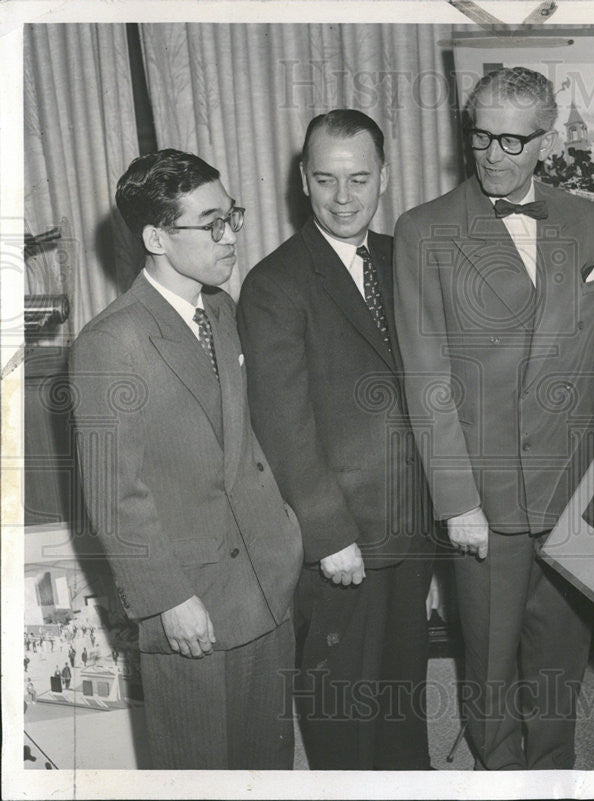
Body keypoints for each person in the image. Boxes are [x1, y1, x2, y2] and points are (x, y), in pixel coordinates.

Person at [393, 67, 594, 770]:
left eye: (513, 141)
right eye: (481, 136)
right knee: (490, 671)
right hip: (486, 501)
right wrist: (457, 499)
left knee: (559, 664)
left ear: (545, 141)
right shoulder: (424, 230)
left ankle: (552, 775)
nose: (493, 155)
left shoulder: (587, 220)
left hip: (573, 486)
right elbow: (426, 379)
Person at [71, 149, 303, 770]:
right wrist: (167, 599)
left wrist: (287, 537)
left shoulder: (219, 310)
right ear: (156, 237)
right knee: (199, 770)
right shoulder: (107, 344)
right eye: (212, 223)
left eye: (233, 216)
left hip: (264, 579)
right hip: (191, 603)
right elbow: (114, 495)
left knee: (268, 765)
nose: (231, 237)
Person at [237, 110, 436, 770]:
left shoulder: (399, 260)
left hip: (410, 532)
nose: (343, 198)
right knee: (345, 717)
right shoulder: (273, 284)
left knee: (403, 706)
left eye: (359, 179)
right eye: (326, 180)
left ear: (384, 175)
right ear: (302, 181)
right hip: (342, 544)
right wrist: (329, 534)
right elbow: (282, 424)